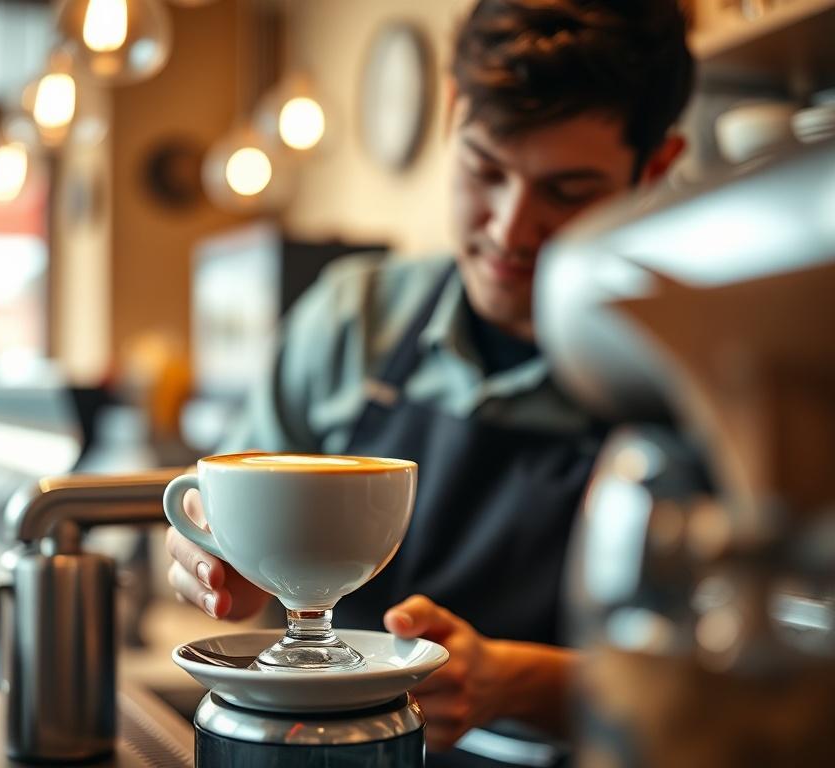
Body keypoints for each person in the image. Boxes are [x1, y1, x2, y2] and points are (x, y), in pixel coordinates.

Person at [167, 0, 694, 763]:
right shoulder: (357, 317)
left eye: (568, 191)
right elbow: (201, 527)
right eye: (486, 170)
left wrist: (513, 684)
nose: (511, 231)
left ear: (658, 167)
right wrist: (218, 569)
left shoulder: (697, 375)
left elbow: (742, 688)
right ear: (453, 110)